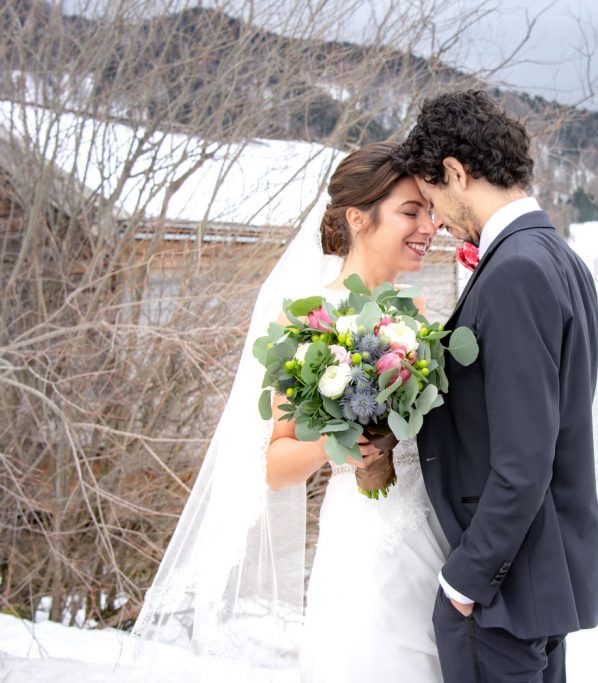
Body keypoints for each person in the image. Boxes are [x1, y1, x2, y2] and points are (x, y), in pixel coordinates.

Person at [130, 142, 447, 682]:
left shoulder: (416, 313)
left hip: (431, 535)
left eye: (432, 212)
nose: (429, 226)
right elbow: (275, 466)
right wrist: (337, 440)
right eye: (411, 211)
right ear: (358, 218)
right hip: (363, 544)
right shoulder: (309, 319)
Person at [397, 90, 598, 683]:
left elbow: (524, 457)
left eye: (432, 198)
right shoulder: (559, 257)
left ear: (456, 173)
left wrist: (466, 579)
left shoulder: (514, 271)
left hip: (502, 590)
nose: (434, 219)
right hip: (540, 575)